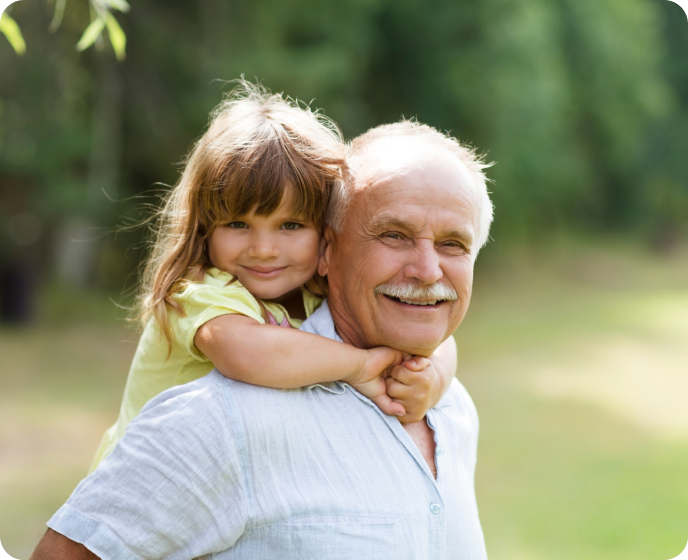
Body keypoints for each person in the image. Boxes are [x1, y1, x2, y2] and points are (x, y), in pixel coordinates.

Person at [30, 118, 493, 560]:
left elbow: (440, 345)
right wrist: (358, 366)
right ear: (329, 250)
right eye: (394, 235)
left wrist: (433, 381)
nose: (428, 271)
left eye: (453, 244)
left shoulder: (453, 410)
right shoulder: (223, 413)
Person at [89, 82, 458, 471]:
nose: (263, 249)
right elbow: (248, 353)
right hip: (146, 487)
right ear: (204, 228)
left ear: (328, 233)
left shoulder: (320, 295)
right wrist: (359, 365)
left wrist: (431, 379)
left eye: (291, 225)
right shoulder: (199, 292)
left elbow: (435, 335)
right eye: (237, 223)